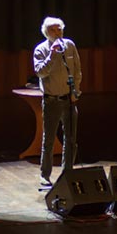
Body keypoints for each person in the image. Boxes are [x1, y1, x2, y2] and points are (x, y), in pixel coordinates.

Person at [33, 16, 82, 187]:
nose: (57, 32)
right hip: (52, 101)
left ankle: (67, 172)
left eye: (59, 29)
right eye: (53, 30)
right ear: (46, 32)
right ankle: (45, 175)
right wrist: (52, 55)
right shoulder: (41, 49)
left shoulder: (70, 45)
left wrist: (76, 91)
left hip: (68, 100)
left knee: (71, 139)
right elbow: (40, 72)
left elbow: (77, 70)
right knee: (49, 140)